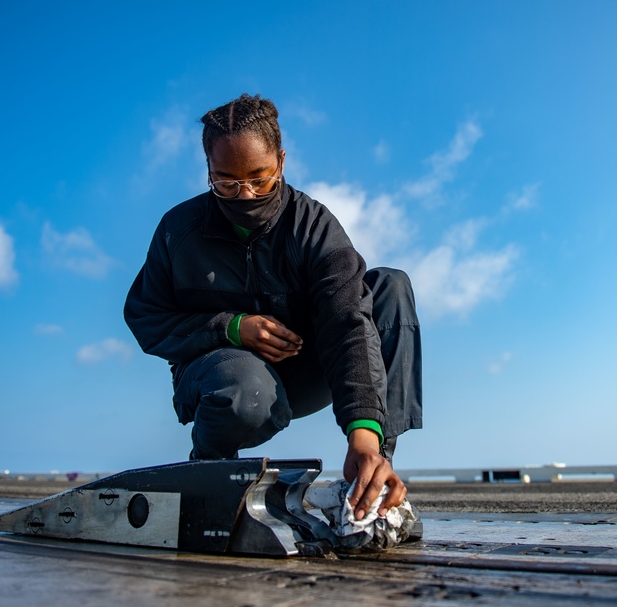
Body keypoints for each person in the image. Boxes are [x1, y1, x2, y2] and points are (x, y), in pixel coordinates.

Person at [124, 93, 422, 520]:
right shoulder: (178, 230)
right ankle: (207, 470)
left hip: (304, 371)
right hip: (223, 381)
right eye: (226, 182)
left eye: (260, 179)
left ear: (281, 161)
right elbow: (144, 318)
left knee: (390, 286)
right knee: (247, 387)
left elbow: (347, 322)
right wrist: (230, 328)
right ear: (208, 170)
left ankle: (373, 477)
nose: (245, 195)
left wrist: (363, 434)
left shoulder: (314, 226)